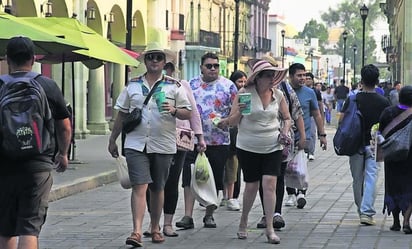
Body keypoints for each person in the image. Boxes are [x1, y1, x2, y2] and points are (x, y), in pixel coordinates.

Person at [108, 42, 192, 247]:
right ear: (145, 61)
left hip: (163, 143)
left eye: (158, 57)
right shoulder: (133, 85)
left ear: (164, 62)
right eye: (150, 57)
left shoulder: (174, 86)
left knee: (158, 187)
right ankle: (136, 231)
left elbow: (187, 111)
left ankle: (155, 227)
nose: (154, 61)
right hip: (136, 143)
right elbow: (122, 113)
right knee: (140, 185)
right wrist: (113, 139)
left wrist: (173, 109)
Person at [0, 36, 72, 249]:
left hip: (4, 167)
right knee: (29, 227)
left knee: (5, 228)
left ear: (7, 58)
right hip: (38, 165)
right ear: (33, 59)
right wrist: (63, 153)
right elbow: (65, 126)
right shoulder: (46, 85)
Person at [228, 59, 291, 244]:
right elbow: (232, 122)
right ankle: (244, 221)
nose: (272, 79)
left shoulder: (278, 95)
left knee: (270, 184)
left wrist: (285, 131)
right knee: (252, 185)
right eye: (268, 75)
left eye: (273, 75)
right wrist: (239, 111)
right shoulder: (244, 93)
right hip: (248, 146)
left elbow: (287, 118)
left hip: (273, 145)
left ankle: (270, 227)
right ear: (258, 78)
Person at [143, 62, 206, 238]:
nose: (167, 71)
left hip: (179, 138)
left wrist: (200, 137)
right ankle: (153, 222)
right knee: (152, 183)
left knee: (171, 180)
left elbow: (192, 112)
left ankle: (168, 223)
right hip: (153, 138)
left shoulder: (181, 85)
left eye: (169, 67)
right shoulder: (145, 85)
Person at [175, 52, 237, 229]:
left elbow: (236, 110)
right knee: (188, 177)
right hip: (191, 139)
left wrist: (229, 121)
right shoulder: (190, 85)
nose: (212, 69)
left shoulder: (228, 86)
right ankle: (188, 216)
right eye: (208, 66)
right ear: (201, 67)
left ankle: (209, 215)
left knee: (214, 179)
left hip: (219, 140)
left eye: (215, 66)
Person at [339, 64, 390, 225]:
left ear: (361, 80)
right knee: (371, 178)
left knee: (357, 179)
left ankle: (361, 208)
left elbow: (341, 120)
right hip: (374, 144)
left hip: (354, 144)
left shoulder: (353, 98)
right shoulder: (383, 101)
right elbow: (387, 124)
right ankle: (366, 212)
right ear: (377, 81)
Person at [285, 63, 327, 209]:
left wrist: (322, 134)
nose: (302, 78)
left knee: (301, 165)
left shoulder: (310, 93)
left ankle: (301, 192)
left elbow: (316, 114)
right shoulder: (283, 91)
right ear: (291, 76)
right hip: (285, 136)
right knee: (287, 166)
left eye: (304, 75)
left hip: (305, 135)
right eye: (299, 75)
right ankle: (290, 193)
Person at [380, 85, 412, 234]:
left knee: (393, 187)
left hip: (392, 157)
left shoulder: (388, 112)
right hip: (410, 157)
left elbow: (381, 131)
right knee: (410, 187)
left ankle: (396, 222)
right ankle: (407, 220)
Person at [221, 70, 247, 211]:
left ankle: (232, 196)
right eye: (239, 81)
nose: (242, 84)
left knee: (233, 168)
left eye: (244, 81)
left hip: (238, 137)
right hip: (223, 134)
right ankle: (225, 195)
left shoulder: (246, 95)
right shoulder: (227, 93)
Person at [305, 72, 324, 161]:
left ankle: (311, 152)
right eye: (306, 78)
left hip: (312, 115)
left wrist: (321, 118)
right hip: (303, 115)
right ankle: (305, 150)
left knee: (312, 133)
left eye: (309, 79)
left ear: (312, 80)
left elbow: (320, 105)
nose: (307, 80)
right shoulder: (301, 90)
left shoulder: (316, 91)